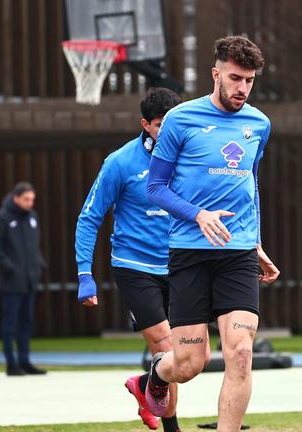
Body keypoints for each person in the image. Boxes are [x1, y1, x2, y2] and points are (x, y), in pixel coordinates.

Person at [141, 36, 280, 432]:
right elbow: (155, 188)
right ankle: (157, 374)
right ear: (215, 73)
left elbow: (251, 187)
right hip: (189, 252)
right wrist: (198, 215)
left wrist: (255, 242)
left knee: (240, 353)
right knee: (189, 364)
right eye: (235, 78)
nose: (242, 88)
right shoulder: (181, 121)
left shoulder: (259, 124)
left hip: (236, 253)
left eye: (250, 81)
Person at [75, 87, 182, 431]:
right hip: (135, 268)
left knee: (178, 354)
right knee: (169, 350)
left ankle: (143, 386)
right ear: (146, 125)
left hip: (179, 266)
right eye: (162, 124)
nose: (169, 130)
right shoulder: (120, 163)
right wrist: (84, 274)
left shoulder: (189, 158)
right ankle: (172, 428)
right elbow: (89, 217)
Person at [0, 182, 46, 376]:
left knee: (26, 322)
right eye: (26, 199)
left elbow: (35, 247)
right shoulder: (2, 218)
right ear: (16, 198)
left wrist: (39, 264)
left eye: (32, 200)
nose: (30, 203)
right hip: (11, 282)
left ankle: (24, 360)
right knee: (10, 323)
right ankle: (11, 363)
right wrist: (9, 268)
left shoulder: (33, 218)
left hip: (29, 280)